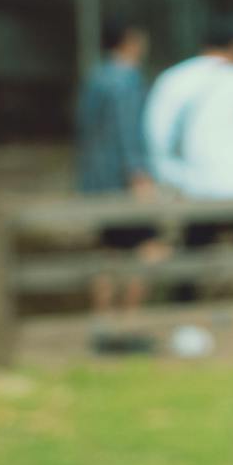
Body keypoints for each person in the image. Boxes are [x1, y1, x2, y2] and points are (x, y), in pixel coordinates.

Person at [144, 15, 233, 295]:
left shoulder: (175, 79)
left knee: (190, 260)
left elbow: (157, 135)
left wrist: (172, 177)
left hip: (196, 185)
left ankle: (185, 327)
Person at [76, 19, 162, 315]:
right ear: (130, 41)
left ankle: (103, 323)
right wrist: (138, 173)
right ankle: (129, 320)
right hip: (124, 180)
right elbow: (127, 130)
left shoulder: (96, 77)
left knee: (108, 253)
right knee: (150, 249)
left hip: (97, 180)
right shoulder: (126, 79)